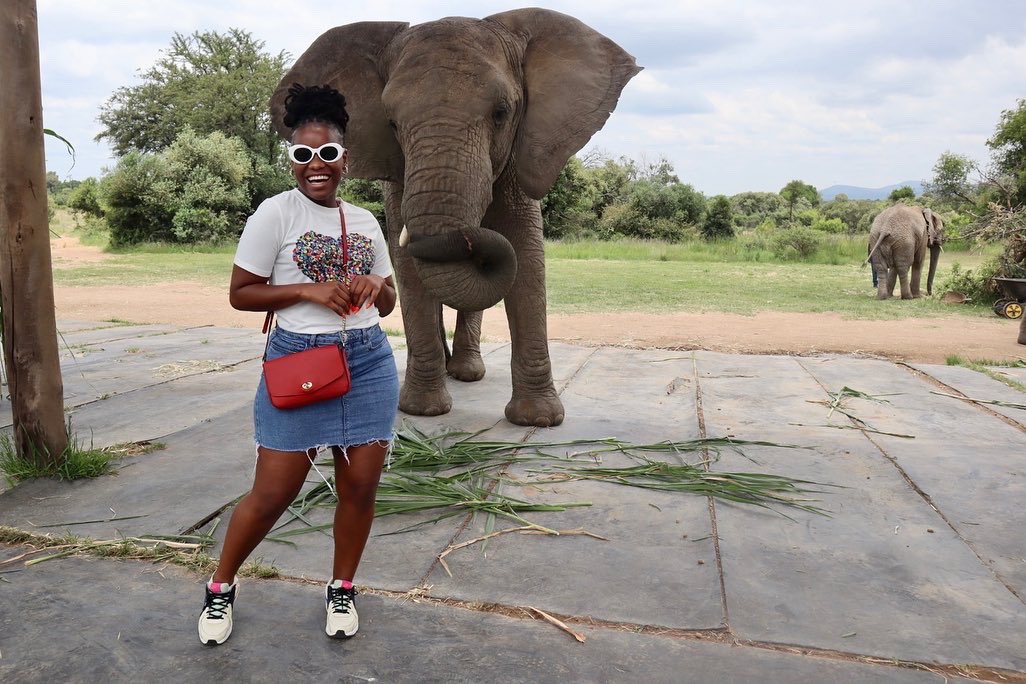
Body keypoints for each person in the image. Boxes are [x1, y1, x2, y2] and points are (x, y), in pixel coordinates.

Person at [197, 83, 399, 646]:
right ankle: (220, 588)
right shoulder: (275, 213)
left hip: (367, 363)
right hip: (300, 361)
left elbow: (388, 300)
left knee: (360, 488)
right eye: (304, 154)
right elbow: (241, 293)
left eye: (327, 154)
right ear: (292, 159)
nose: (316, 164)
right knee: (273, 493)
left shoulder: (364, 221)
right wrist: (309, 291)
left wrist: (375, 284)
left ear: (344, 159)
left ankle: (342, 587)